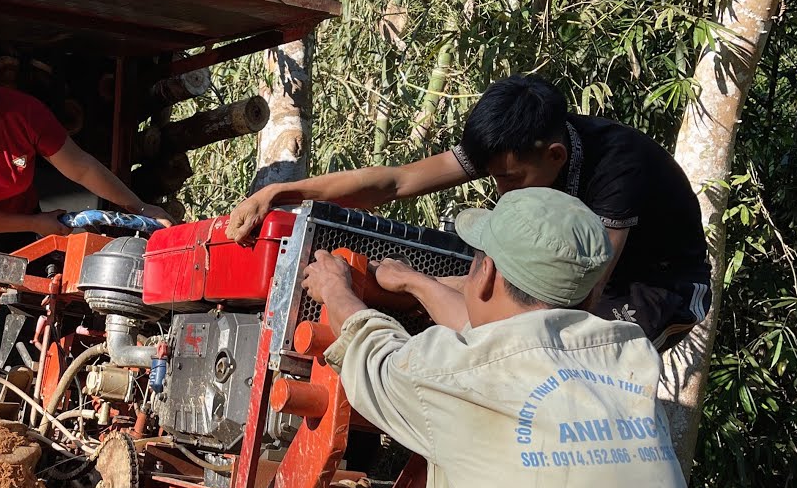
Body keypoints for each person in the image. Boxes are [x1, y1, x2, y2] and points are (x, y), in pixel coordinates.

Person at [241, 188, 702, 488]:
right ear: (588, 293)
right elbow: (515, 342)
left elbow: (371, 352)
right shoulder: (629, 363)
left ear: (484, 273)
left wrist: (336, 290)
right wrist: (415, 282)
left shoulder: (461, 376)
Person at [226, 74, 710, 351]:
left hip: (656, 286)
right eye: (492, 176)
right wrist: (285, 192)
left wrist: (422, 286)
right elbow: (395, 181)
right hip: (568, 270)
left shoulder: (619, 168)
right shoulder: (511, 147)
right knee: (465, 291)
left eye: (510, 180)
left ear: (556, 157)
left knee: (541, 344)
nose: (500, 190)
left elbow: (579, 295)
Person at [0, 27, 173, 371]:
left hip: (17, 212)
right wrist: (35, 224)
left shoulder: (22, 112)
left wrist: (138, 206)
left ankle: (43, 384)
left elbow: (81, 167)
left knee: (49, 291)